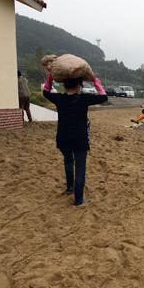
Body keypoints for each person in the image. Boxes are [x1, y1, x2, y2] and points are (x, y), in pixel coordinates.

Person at [43, 71, 107, 206]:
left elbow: (46, 92)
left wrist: (50, 75)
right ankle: (78, 200)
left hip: (63, 139)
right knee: (80, 169)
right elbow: (103, 97)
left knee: (68, 160)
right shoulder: (84, 99)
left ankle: (70, 187)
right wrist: (95, 80)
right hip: (79, 139)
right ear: (78, 84)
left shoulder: (59, 98)